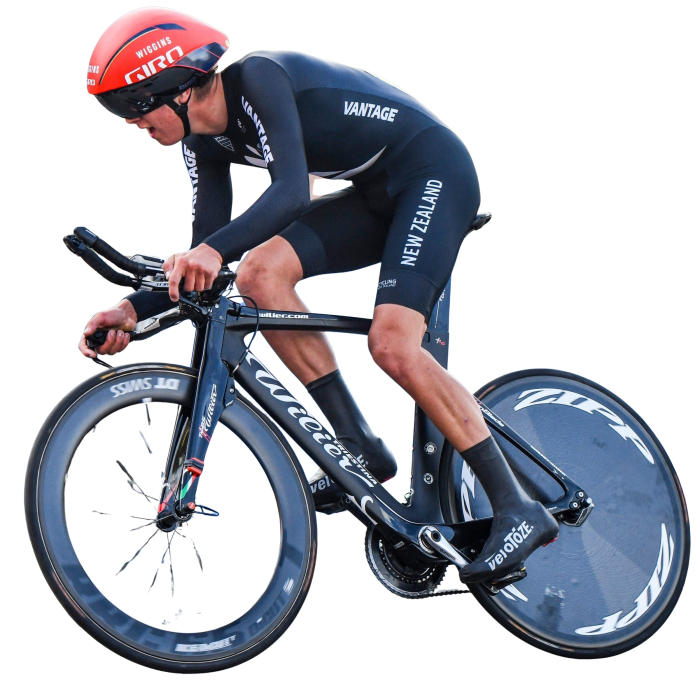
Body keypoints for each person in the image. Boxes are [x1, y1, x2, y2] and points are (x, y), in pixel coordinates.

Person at [81, 6, 558, 585]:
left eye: (134, 107)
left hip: (432, 172)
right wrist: (132, 310)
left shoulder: (259, 79)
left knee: (392, 345)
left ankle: (517, 507)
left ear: (178, 88)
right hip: (374, 192)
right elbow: (211, 258)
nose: (132, 123)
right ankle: (356, 442)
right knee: (258, 275)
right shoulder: (203, 143)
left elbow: (290, 193)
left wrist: (206, 254)